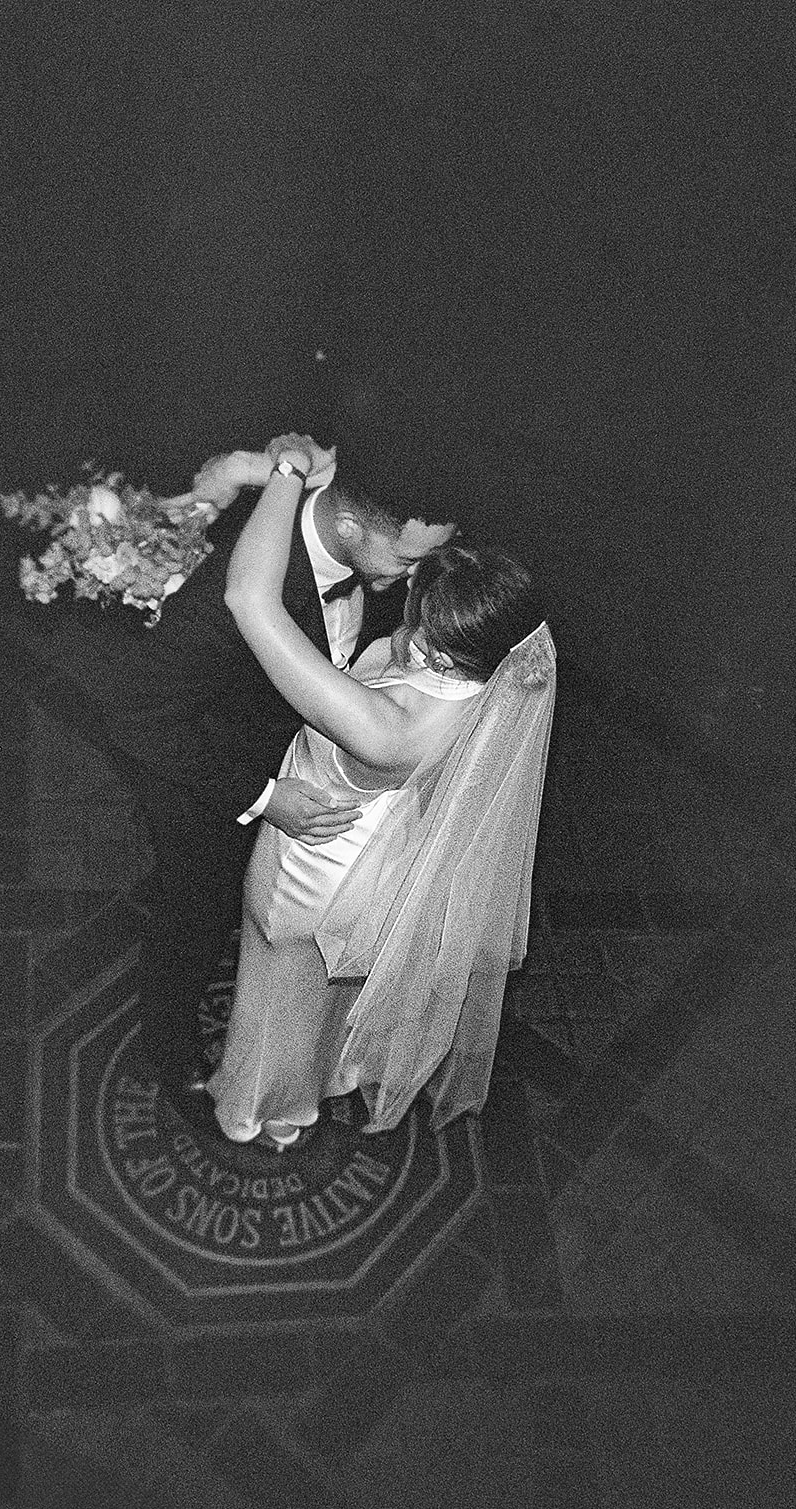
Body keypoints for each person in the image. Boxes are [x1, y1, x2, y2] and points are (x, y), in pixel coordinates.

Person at [206, 433, 557, 1151]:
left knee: (274, 995)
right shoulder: (491, 685)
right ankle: (315, 1081)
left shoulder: (388, 726)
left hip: (311, 870)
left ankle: (261, 1110)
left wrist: (286, 470)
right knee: (316, 994)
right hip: (375, 862)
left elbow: (249, 598)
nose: (400, 586)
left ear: (433, 641)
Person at [103, 442, 456, 1093]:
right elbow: (134, 717)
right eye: (408, 560)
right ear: (349, 527)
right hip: (205, 781)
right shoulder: (221, 602)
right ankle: (168, 1050)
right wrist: (263, 797)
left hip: (279, 749)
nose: (414, 578)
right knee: (194, 913)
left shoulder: (360, 552)